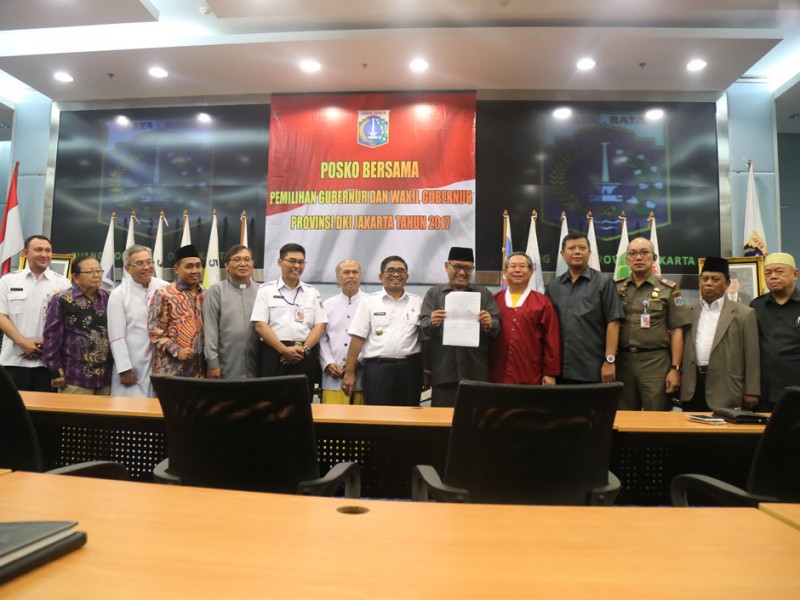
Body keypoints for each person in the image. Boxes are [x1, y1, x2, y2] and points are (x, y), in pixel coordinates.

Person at [615, 237, 691, 411]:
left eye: (644, 252)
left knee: (657, 415)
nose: (638, 257)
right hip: (623, 363)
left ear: (654, 257)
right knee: (624, 417)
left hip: (655, 363)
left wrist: (675, 369)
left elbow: (677, 330)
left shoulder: (669, 289)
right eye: (633, 253)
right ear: (627, 259)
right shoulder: (616, 288)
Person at [419, 247, 501, 407]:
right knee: (442, 419)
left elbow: (497, 327)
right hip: (444, 373)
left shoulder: (484, 294)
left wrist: (489, 323)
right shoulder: (434, 294)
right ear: (446, 266)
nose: (462, 272)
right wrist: (432, 322)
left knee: (475, 419)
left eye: (468, 268)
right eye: (457, 266)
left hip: (475, 373)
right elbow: (423, 329)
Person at [343, 256, 424, 406]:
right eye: (390, 271)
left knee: (409, 416)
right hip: (378, 370)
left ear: (406, 277)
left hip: (410, 370)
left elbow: (424, 339)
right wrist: (349, 372)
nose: (396, 274)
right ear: (381, 276)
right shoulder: (369, 302)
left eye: (400, 271)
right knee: (377, 415)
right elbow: (357, 338)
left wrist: (427, 371)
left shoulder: (418, 302)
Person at [680, 257, 760, 411]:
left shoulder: (744, 314)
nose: (708, 283)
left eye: (715, 279)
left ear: (727, 284)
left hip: (726, 387)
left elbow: (752, 356)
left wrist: (752, 390)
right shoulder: (688, 311)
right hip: (692, 386)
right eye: (705, 279)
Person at [545, 232, 623, 384]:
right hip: (559, 369)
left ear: (589, 252)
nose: (577, 252)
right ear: (562, 254)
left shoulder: (604, 282)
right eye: (571, 248)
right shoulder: (553, 286)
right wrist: (548, 369)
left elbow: (614, 322)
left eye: (582, 248)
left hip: (593, 368)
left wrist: (609, 361)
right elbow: (547, 329)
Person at [251, 243, 327, 394]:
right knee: (271, 399)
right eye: (292, 261)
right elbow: (260, 325)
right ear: (280, 262)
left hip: (304, 354)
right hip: (274, 354)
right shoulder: (266, 290)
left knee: (302, 400)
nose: (297, 266)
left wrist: (304, 349)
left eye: (301, 262)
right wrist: (283, 350)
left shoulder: (312, 292)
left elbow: (320, 325)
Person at [0, 235, 71, 391]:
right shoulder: (8, 281)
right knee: (13, 406)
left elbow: (67, 321)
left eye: (48, 251)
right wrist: (23, 343)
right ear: (25, 253)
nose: (44, 255)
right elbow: (1, 315)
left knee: (46, 406)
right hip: (13, 360)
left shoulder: (63, 283)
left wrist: (47, 344)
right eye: (38, 250)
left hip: (48, 362)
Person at [43, 256, 112, 395]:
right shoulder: (62, 299)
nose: (96, 275)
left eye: (99, 271)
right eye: (90, 272)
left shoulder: (110, 298)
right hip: (74, 376)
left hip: (106, 377)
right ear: (75, 277)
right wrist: (55, 371)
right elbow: (51, 338)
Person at [490, 252, 560, 385]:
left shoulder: (542, 302)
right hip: (496, 373)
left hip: (530, 373)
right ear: (505, 271)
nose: (517, 270)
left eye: (522, 266)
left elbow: (551, 339)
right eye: (513, 266)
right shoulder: (494, 300)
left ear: (531, 272)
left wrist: (550, 372)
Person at [107, 244, 168, 396]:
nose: (146, 267)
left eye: (149, 262)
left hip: (163, 361)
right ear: (128, 269)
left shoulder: (166, 289)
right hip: (133, 363)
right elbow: (116, 336)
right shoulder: (119, 294)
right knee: (132, 406)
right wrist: (124, 368)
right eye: (140, 263)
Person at [750, 252, 800, 411]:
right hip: (763, 392)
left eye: (779, 272)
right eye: (768, 273)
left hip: (796, 391)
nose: (773, 277)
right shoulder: (756, 306)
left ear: (795, 274)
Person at [148, 244, 205, 378]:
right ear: (177, 269)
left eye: (198, 266)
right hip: (172, 370)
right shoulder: (164, 294)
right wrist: (176, 350)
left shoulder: (207, 294)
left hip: (202, 370)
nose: (195, 271)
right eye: (189, 266)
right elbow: (154, 329)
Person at [203, 245, 260, 379]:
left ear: (252, 264)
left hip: (258, 365)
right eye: (236, 260)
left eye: (247, 259)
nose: (243, 264)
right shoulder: (216, 291)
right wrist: (212, 363)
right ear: (227, 266)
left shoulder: (262, 291)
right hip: (226, 364)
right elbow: (210, 330)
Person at [319, 259, 367, 404]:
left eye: (355, 272)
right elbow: (321, 338)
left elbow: (374, 338)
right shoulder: (327, 305)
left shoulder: (371, 303)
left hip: (363, 373)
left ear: (360, 276)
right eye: (346, 272)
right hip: (333, 375)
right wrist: (328, 362)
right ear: (337, 277)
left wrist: (357, 361)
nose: (351, 276)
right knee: (332, 417)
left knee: (363, 416)